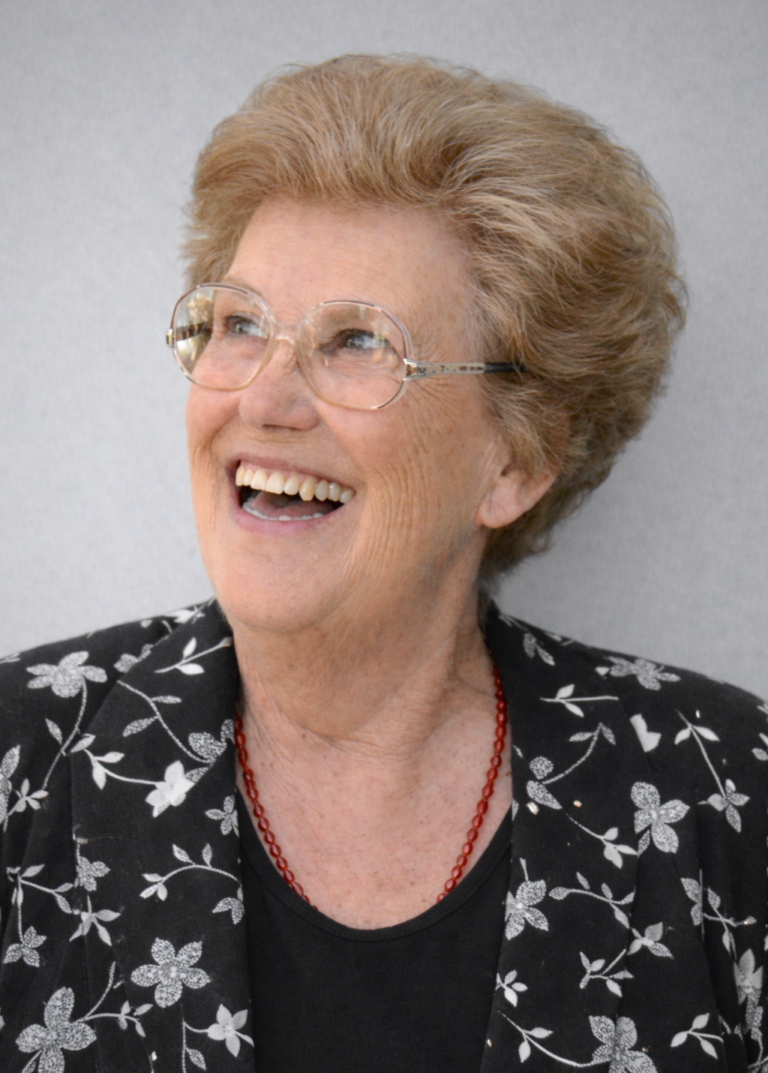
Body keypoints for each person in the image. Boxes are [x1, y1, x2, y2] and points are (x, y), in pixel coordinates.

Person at [0, 54, 765, 1073]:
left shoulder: (722, 785)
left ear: (516, 460)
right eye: (240, 324)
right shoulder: (20, 756)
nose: (262, 399)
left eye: (359, 341)